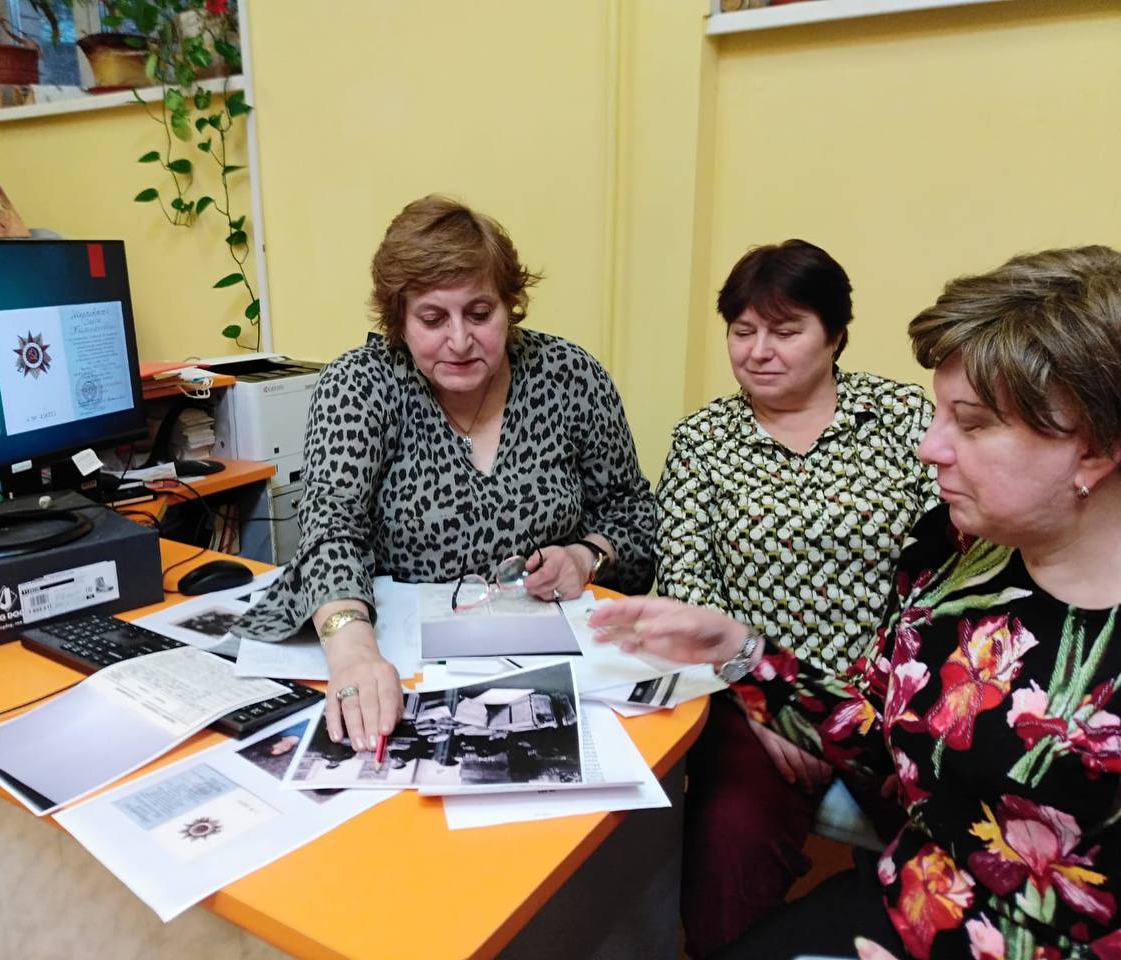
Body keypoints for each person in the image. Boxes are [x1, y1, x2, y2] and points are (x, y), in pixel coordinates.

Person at [592, 245, 1121, 959]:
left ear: (1094, 448)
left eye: (970, 424)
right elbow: (885, 741)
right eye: (743, 331)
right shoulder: (950, 560)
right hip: (917, 903)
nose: (930, 448)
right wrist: (739, 652)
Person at [234, 194, 656, 753]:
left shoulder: (570, 377)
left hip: (552, 661)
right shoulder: (360, 385)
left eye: (480, 314)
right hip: (399, 662)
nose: (459, 340)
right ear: (399, 321)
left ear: (510, 306)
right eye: (432, 319)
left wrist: (586, 556)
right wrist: (354, 652)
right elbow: (331, 531)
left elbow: (633, 512)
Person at [655, 239, 939, 956]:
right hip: (749, 698)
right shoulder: (702, 441)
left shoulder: (902, 419)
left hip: (889, 694)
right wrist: (769, 704)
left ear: (835, 335)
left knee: (943, 850)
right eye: (742, 331)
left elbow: (942, 567)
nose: (758, 351)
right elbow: (688, 586)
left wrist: (866, 698)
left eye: (785, 331)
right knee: (727, 854)